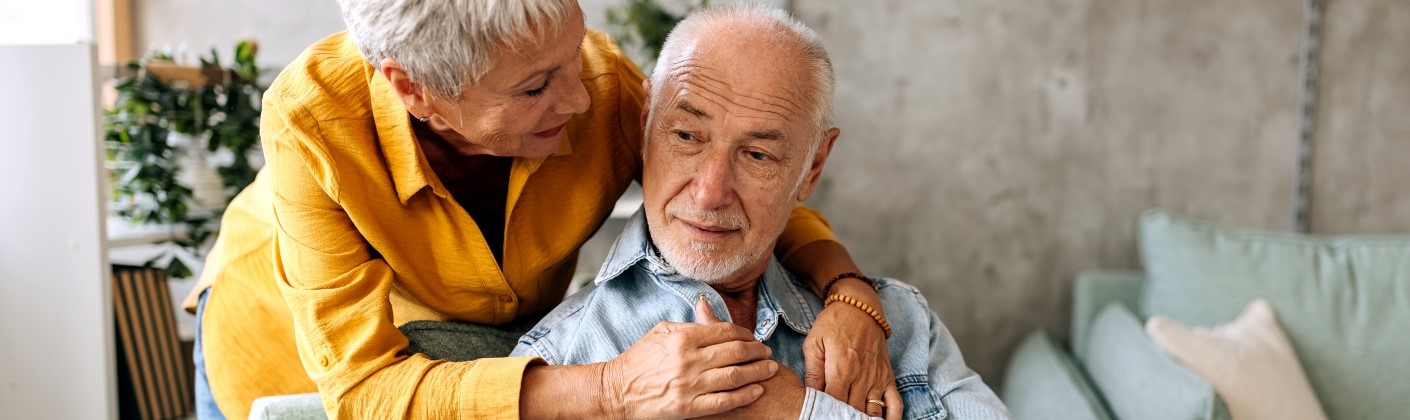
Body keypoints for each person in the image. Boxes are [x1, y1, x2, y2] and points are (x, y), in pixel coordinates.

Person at [185, 0, 899, 418]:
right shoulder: (312, 122)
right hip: (281, 352)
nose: (582, 100)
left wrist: (848, 291)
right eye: (535, 88)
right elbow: (366, 390)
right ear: (415, 90)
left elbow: (731, 190)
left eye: (572, 53)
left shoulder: (604, 86)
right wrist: (614, 390)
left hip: (481, 354)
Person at [509, 5, 1012, 419]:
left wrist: (797, 410)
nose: (709, 193)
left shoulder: (898, 321)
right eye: (686, 136)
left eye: (757, 156)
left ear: (812, 168)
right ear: (646, 125)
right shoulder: (560, 361)